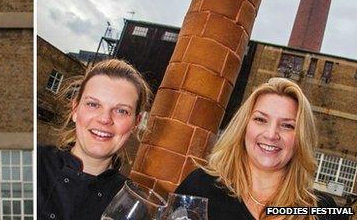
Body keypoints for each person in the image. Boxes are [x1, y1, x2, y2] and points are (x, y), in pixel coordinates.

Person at [176, 77, 348, 220]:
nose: (271, 134)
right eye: (260, 120)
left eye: (287, 125)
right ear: (244, 127)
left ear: (301, 139)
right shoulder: (200, 186)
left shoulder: (323, 210)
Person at [38, 59, 153, 220]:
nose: (105, 119)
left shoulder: (133, 204)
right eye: (93, 104)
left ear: (136, 123)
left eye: (121, 111)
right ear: (75, 109)